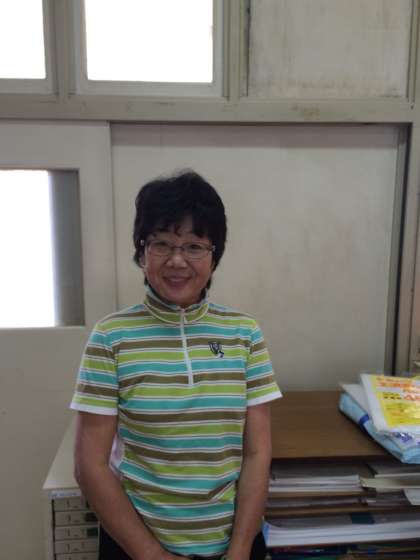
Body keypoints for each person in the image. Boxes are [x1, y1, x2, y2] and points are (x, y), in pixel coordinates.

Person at [71, 170, 281, 560]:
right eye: (161, 244)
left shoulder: (244, 334)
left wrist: (239, 550)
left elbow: (257, 453)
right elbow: (90, 466)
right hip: (137, 546)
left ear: (214, 256)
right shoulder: (111, 337)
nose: (177, 260)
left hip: (232, 544)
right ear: (142, 252)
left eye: (194, 246)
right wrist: (154, 556)